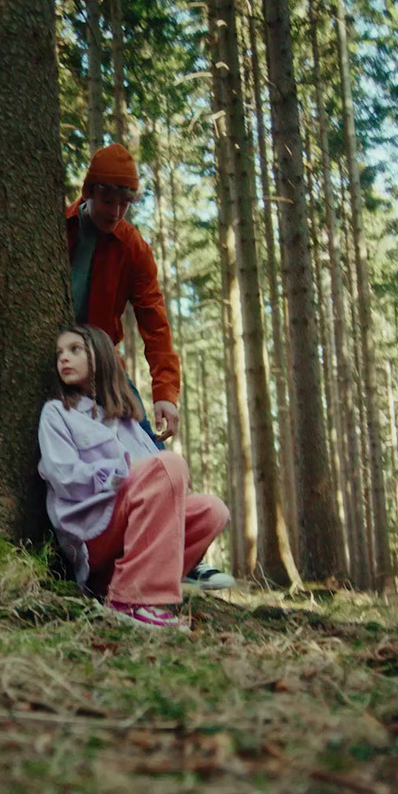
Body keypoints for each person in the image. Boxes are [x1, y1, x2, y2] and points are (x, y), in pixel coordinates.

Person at [67, 143, 233, 590]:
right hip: (57, 360)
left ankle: (185, 558)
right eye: (108, 199)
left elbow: (154, 321)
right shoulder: (57, 228)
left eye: (126, 201)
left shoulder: (133, 248)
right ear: (88, 192)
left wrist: (165, 392)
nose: (116, 210)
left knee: (151, 453)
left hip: (106, 369)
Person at [39, 325, 230, 631]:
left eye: (75, 350)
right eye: (59, 353)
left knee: (212, 511)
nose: (64, 358)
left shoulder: (126, 419)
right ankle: (131, 601)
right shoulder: (57, 413)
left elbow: (156, 476)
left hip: (130, 535)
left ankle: (129, 583)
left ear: (101, 357)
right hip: (94, 526)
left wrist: (166, 483)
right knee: (169, 466)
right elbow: (63, 475)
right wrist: (115, 475)